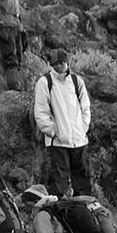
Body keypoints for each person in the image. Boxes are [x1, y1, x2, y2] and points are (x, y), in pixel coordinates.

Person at [32, 50, 92, 196]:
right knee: (58, 177)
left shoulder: (77, 81)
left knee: (82, 175)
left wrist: (83, 128)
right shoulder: (45, 82)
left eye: (61, 63)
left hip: (79, 139)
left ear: (67, 62)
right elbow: (40, 111)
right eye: (55, 64)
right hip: (58, 141)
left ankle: (84, 206)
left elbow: (85, 107)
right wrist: (53, 131)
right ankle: (55, 209)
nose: (59, 66)